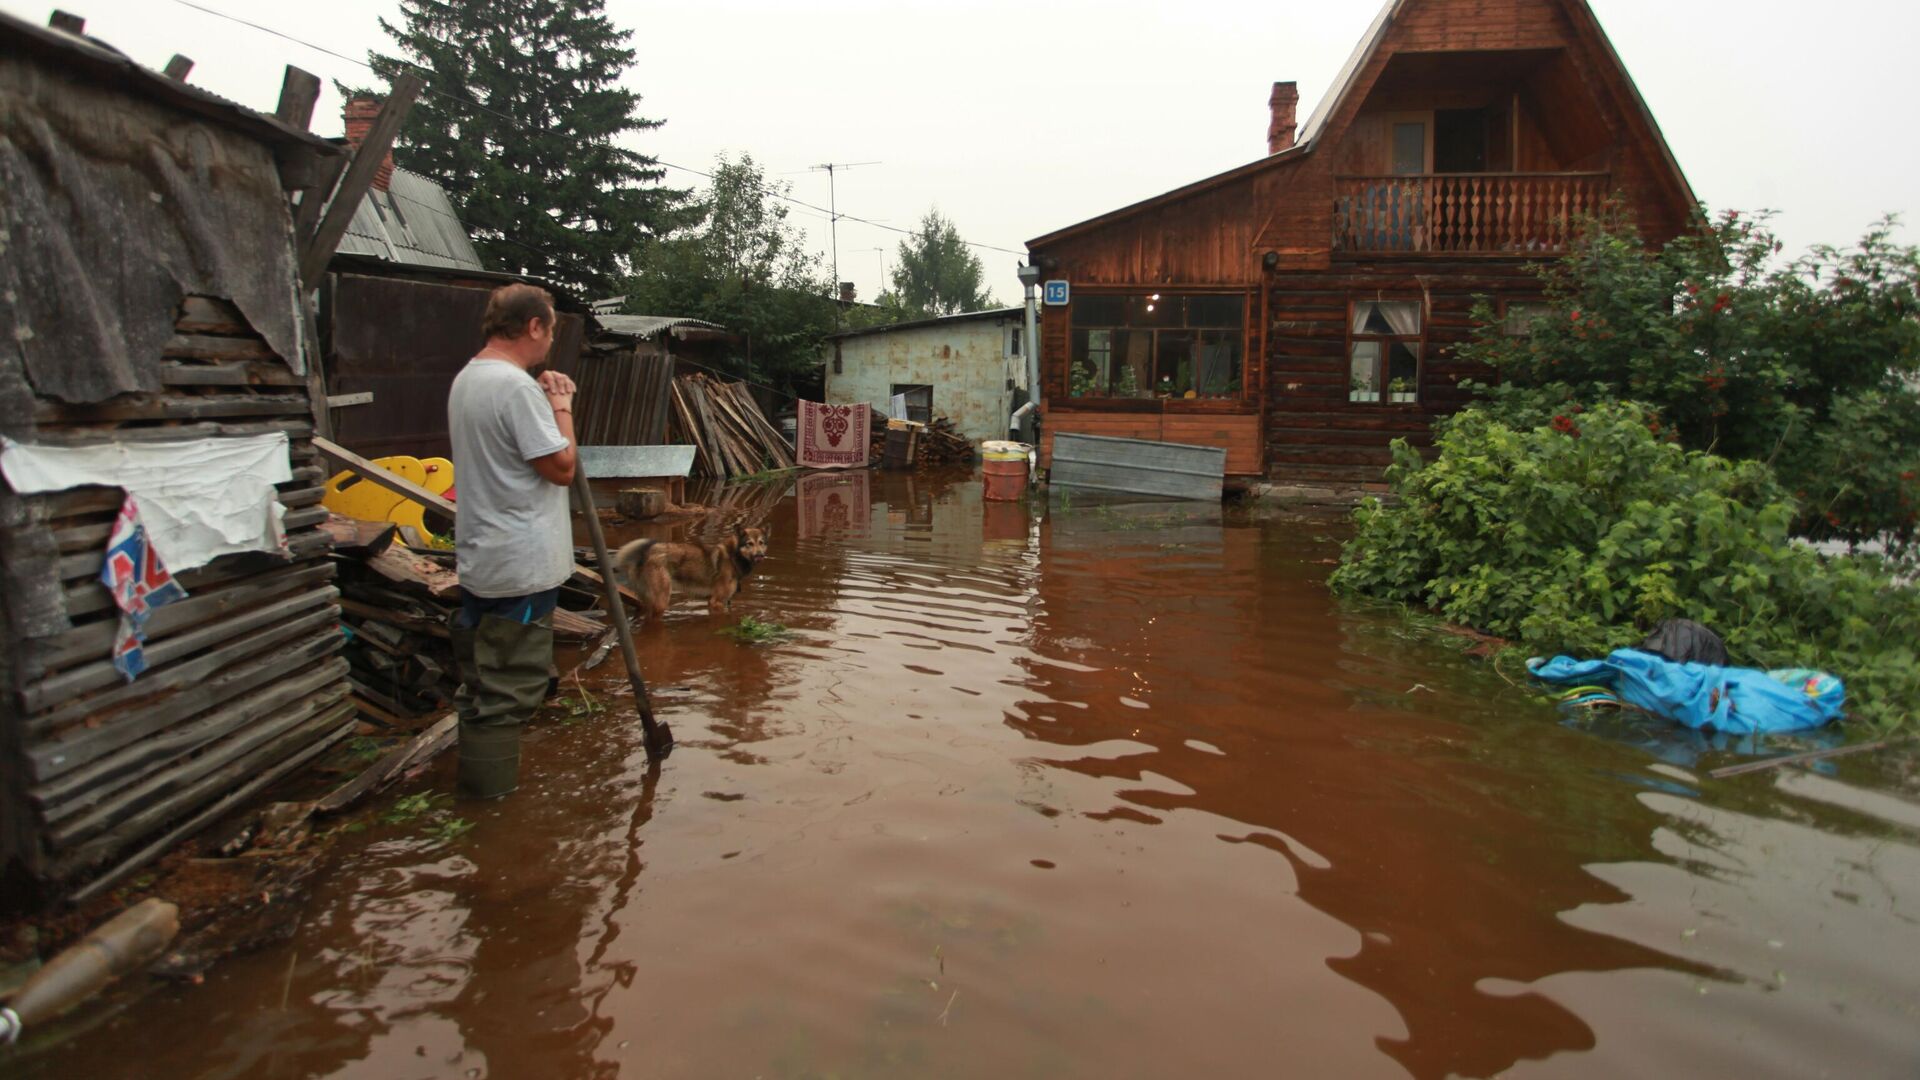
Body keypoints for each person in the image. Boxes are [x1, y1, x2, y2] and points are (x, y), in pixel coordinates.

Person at [446, 283, 577, 799]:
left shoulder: (469, 379)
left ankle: (479, 792)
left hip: (483, 557)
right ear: (533, 327)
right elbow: (561, 467)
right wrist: (561, 404)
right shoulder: (516, 388)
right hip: (520, 563)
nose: (550, 344)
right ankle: (490, 812)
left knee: (480, 681)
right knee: (508, 690)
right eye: (550, 330)